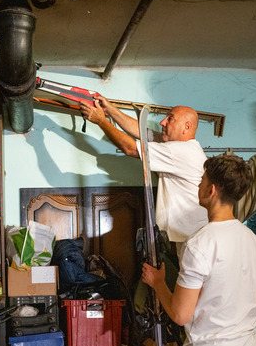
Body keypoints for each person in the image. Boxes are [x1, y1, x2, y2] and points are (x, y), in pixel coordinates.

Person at [141, 154, 256, 346]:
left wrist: (158, 283)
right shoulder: (252, 240)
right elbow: (252, 300)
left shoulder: (200, 244)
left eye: (202, 180)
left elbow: (180, 314)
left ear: (211, 190)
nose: (198, 185)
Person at [79, 97, 208, 259]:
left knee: (193, 275)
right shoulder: (183, 147)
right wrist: (110, 109)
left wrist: (101, 121)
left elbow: (130, 148)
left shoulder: (180, 151)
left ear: (186, 126)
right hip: (192, 234)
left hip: (195, 237)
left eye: (170, 118)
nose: (162, 122)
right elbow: (142, 132)